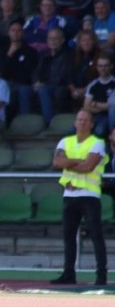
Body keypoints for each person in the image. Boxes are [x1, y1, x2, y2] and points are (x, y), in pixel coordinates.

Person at [51, 110, 108, 286]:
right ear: (75, 122)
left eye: (86, 120)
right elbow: (56, 162)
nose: (82, 122)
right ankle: (69, 273)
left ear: (91, 124)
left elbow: (88, 167)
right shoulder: (65, 141)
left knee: (96, 235)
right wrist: (79, 162)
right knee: (68, 236)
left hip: (89, 194)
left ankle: (101, 275)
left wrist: (68, 162)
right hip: (70, 194)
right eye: (80, 119)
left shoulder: (97, 143)